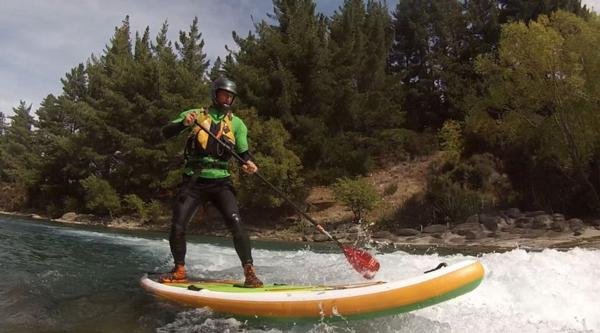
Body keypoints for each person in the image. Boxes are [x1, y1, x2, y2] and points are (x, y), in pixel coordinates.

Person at [159, 77, 263, 288]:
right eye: (224, 94)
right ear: (215, 94)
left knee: (236, 222)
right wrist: (183, 123)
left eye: (231, 96)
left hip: (221, 182)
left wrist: (249, 163)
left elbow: (243, 152)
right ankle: (179, 270)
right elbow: (166, 132)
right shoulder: (196, 115)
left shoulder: (237, 124)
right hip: (194, 181)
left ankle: (250, 272)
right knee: (178, 224)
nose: (227, 99)